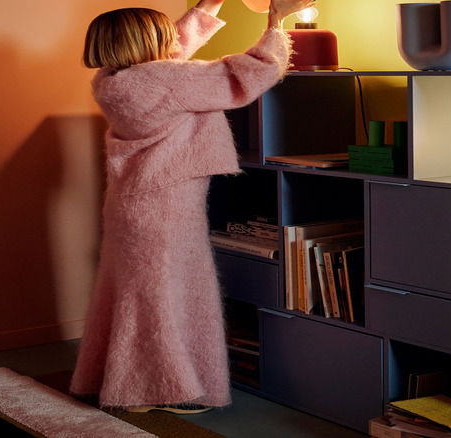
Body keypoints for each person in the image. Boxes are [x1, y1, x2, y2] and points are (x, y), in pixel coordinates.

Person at [69, 0, 315, 414]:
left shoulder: (113, 79)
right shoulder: (164, 79)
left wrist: (207, 5)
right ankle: (151, 390)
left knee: (141, 295)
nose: (173, 40)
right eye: (164, 35)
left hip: (133, 205)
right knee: (166, 297)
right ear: (150, 43)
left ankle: (129, 384)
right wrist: (277, 20)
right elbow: (250, 75)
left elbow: (171, 59)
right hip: (165, 205)